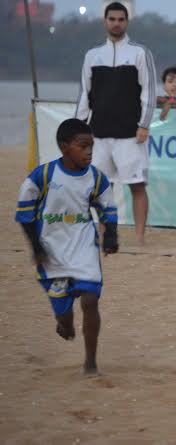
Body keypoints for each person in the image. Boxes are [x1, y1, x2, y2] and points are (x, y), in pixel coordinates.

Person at [15, 118, 118, 375]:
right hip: (52, 252)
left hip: (84, 247)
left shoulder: (96, 179)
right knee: (64, 316)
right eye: (83, 146)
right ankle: (65, 321)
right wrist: (36, 247)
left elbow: (107, 207)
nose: (89, 152)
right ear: (64, 148)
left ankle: (91, 362)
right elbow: (25, 214)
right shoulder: (43, 176)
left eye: (91, 146)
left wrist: (111, 235)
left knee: (91, 300)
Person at [75, 1, 156, 246]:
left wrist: (144, 125)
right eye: (112, 19)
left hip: (130, 134)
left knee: (137, 186)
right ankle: (105, 235)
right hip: (98, 134)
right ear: (105, 21)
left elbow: (149, 92)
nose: (116, 23)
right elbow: (84, 95)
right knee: (101, 188)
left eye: (121, 19)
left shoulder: (140, 53)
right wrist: (78, 127)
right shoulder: (92, 55)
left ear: (127, 21)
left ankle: (140, 238)